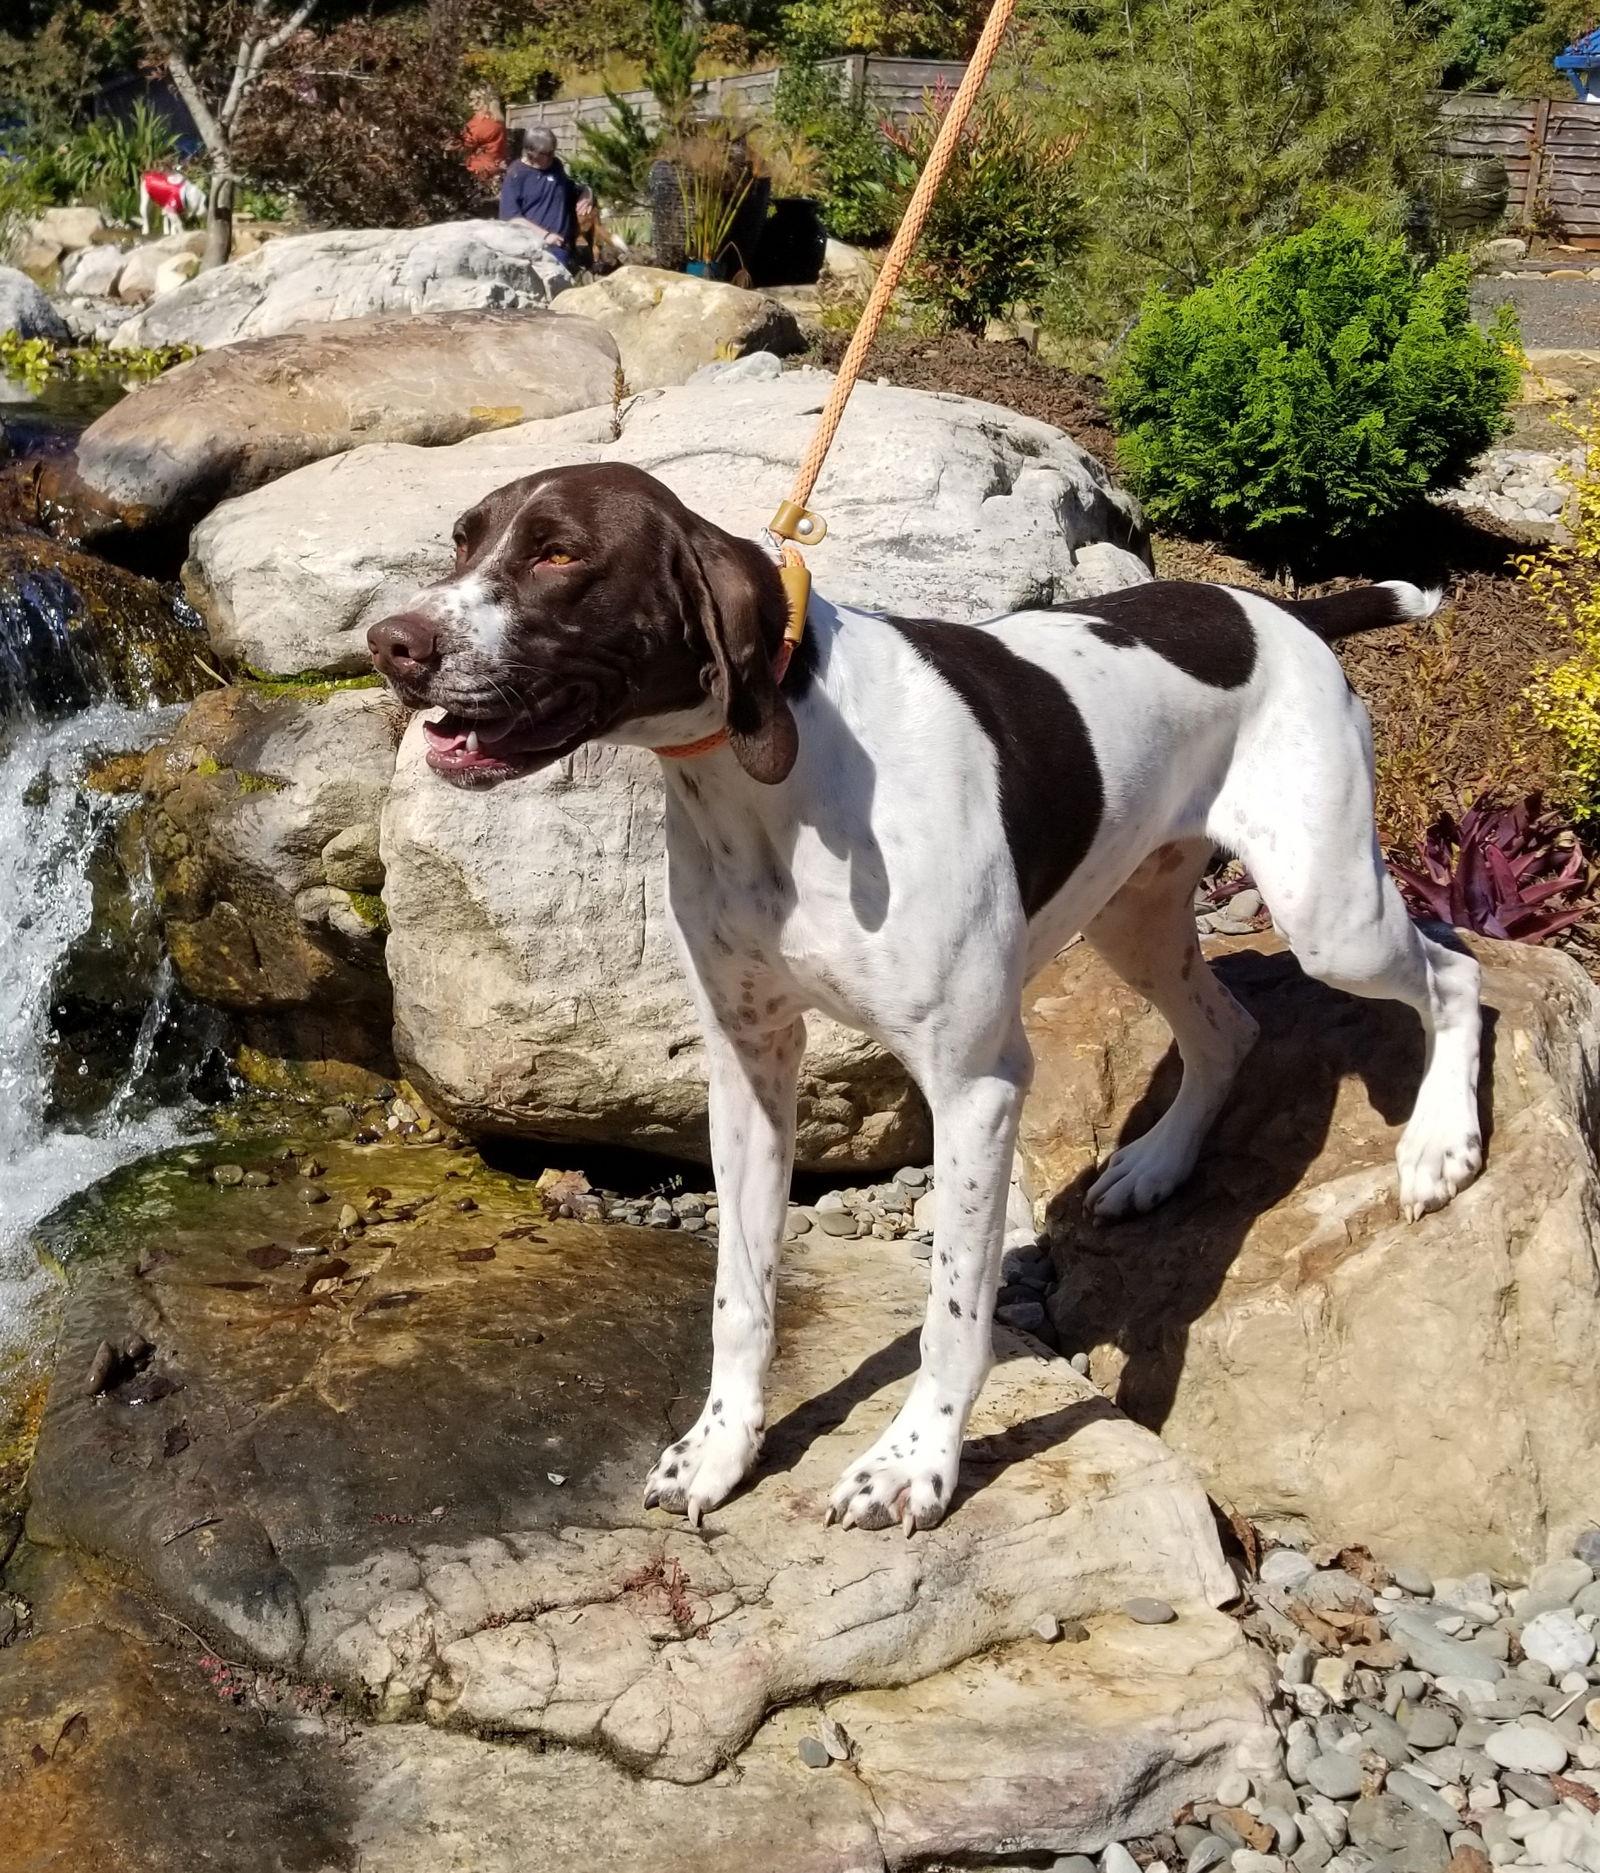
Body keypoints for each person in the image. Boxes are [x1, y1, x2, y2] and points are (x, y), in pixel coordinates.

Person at [499, 126, 578, 266]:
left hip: (562, 249)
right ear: (531, 152)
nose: (551, 157)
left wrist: (586, 193)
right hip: (535, 252)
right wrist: (546, 236)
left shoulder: (556, 166)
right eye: (546, 154)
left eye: (553, 152)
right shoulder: (516, 175)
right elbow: (512, 218)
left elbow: (569, 189)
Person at [462, 87, 508, 192]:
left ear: (484, 103)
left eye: (475, 101)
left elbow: (466, 142)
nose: (471, 105)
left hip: (481, 171)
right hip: (495, 167)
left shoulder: (486, 124)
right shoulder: (498, 121)